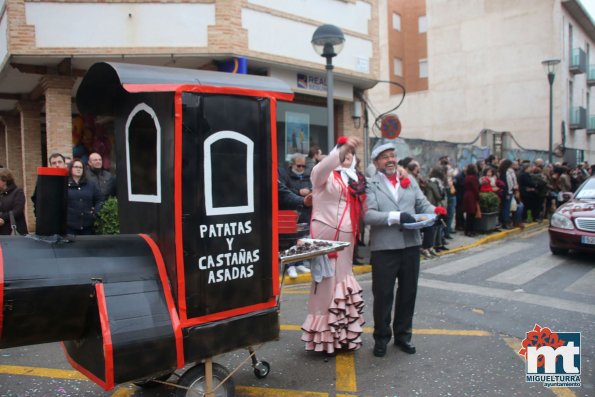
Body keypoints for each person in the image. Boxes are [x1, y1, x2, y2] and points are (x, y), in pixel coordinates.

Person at [364, 143, 446, 358]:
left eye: (392, 156)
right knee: (383, 296)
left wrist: (435, 212)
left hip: (411, 245)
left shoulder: (408, 182)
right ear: (376, 163)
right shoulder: (370, 184)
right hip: (384, 248)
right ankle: (381, 337)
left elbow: (422, 205)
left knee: (408, 293)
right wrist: (396, 216)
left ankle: (403, 336)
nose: (390, 160)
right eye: (384, 157)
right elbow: (368, 215)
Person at [300, 136, 366, 355]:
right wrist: (342, 149)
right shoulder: (323, 176)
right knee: (326, 284)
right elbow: (321, 169)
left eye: (351, 154)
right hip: (324, 237)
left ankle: (343, 335)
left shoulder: (355, 180)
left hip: (347, 240)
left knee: (343, 281)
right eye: (342, 153)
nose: (348, 156)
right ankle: (325, 338)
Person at [279, 153, 313, 278]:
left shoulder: (308, 176)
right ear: (292, 164)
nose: (301, 168)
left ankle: (300, 262)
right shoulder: (285, 175)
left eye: (303, 166)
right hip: (291, 210)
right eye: (298, 165)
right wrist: (298, 192)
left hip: (304, 209)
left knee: (302, 238)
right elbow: (283, 192)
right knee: (290, 240)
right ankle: (290, 265)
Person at [67, 159, 103, 235]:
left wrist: (95, 212)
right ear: (71, 169)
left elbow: (99, 199)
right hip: (70, 226)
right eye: (76, 167)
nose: (78, 169)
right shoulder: (65, 184)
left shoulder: (90, 184)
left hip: (87, 225)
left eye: (81, 167)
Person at [0, 168, 28, 235]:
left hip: (15, 232)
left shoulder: (18, 192)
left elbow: (17, 211)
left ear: (5, 180)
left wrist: (2, 217)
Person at [463, 163, 480, 237]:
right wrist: (478, 197)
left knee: (469, 214)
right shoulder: (473, 178)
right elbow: (475, 188)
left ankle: (467, 230)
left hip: (467, 195)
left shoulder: (467, 177)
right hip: (472, 196)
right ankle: (470, 230)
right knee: (471, 214)